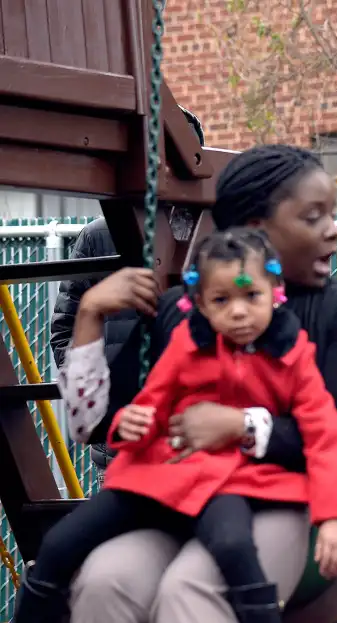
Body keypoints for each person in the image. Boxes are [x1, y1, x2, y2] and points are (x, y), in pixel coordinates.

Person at [57, 145, 337, 623]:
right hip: (182, 499)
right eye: (314, 217)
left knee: (189, 592)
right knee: (103, 581)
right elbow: (93, 425)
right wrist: (89, 316)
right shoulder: (182, 309)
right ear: (257, 232)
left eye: (331, 215)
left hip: (305, 507)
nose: (333, 231)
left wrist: (239, 425)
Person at [19, 228, 337, 623]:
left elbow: (325, 433)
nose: (238, 311)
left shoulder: (290, 354)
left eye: (252, 296)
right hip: (157, 475)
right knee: (58, 545)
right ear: (200, 305)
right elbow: (155, 397)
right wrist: (132, 421)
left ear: (275, 292)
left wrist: (334, 514)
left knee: (234, 547)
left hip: (223, 481)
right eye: (221, 300)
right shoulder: (187, 344)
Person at [50, 106, 207, 477]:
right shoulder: (99, 236)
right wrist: (104, 404)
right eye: (158, 155)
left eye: (180, 158)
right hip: (124, 439)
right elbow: (66, 330)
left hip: (197, 437)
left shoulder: (211, 229)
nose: (168, 169)